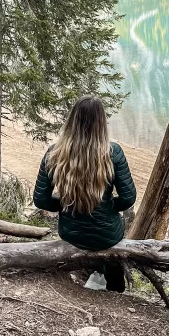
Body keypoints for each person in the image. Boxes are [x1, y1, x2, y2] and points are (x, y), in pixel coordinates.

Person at [33, 96, 136, 292]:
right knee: (113, 262)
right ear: (101, 123)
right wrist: (107, 206)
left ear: (73, 120)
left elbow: (40, 200)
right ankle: (116, 291)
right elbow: (128, 198)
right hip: (107, 235)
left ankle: (85, 281)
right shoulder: (113, 152)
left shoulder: (54, 153)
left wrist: (67, 204)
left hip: (71, 233)